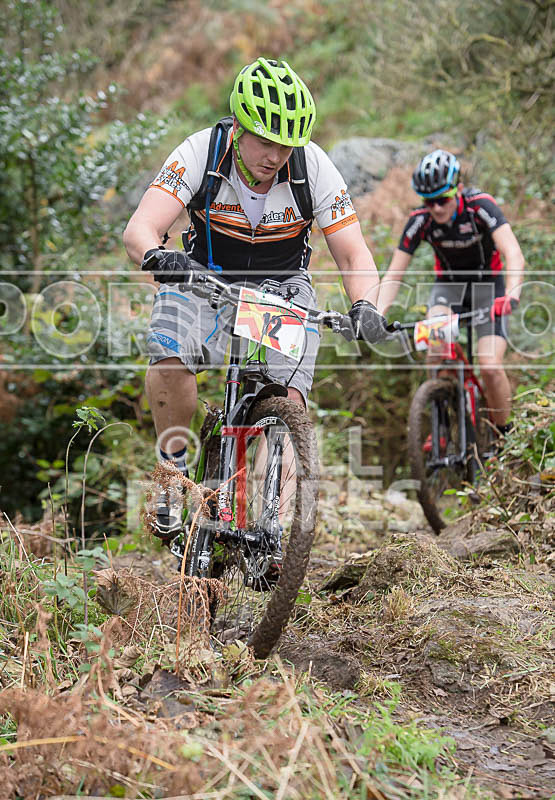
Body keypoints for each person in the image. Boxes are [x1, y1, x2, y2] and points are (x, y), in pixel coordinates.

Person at [123, 57, 386, 539]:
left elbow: (352, 255)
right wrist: (159, 257)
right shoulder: (201, 151)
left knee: (287, 403)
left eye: (286, 145)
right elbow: (141, 228)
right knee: (170, 360)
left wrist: (367, 305)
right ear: (240, 128)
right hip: (202, 279)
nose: (276, 156)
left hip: (279, 289)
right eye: (265, 141)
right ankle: (172, 468)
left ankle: (271, 528)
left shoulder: (314, 167)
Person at [378, 149, 525, 436]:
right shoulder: (421, 220)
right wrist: (376, 313)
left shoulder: (480, 206)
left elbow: (513, 252)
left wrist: (512, 293)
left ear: (456, 190)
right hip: (448, 289)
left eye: (442, 200)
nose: (436, 209)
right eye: (428, 201)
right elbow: (394, 273)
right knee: (434, 349)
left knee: (490, 366)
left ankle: (505, 438)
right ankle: (442, 417)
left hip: (488, 288)